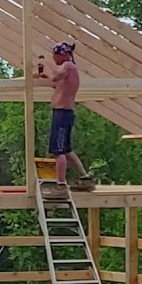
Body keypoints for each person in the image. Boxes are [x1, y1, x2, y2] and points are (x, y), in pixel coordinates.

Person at [34, 41, 95, 199]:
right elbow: (58, 85)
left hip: (62, 114)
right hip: (64, 113)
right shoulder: (69, 70)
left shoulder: (68, 66)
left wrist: (43, 64)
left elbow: (55, 76)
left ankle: (60, 186)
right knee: (66, 150)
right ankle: (85, 178)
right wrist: (43, 75)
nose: (53, 58)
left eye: (54, 55)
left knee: (58, 150)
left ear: (61, 54)